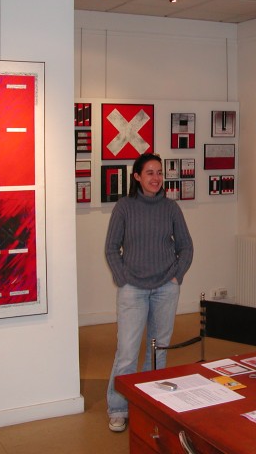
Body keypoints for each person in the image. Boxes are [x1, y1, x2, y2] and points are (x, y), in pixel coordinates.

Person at [104, 152, 194, 433]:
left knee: (158, 352)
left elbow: (186, 246)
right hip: (133, 288)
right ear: (137, 177)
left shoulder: (171, 208)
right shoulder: (124, 207)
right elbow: (111, 248)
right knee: (127, 353)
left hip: (165, 287)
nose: (156, 178)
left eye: (159, 172)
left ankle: (151, 406)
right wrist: (122, 278)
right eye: (150, 173)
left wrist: (176, 276)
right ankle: (118, 408)